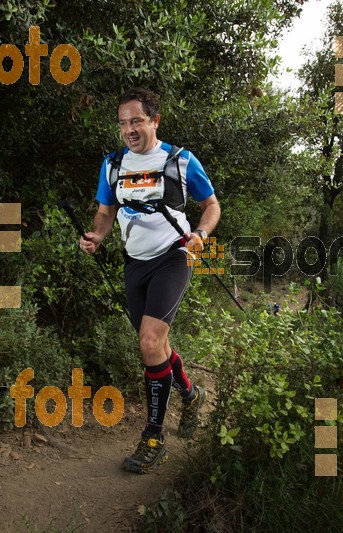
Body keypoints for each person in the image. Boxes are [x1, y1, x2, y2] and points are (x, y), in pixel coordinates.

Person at [79, 87, 221, 474]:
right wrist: (97, 236)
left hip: (174, 258)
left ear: (154, 121)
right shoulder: (112, 164)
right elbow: (105, 212)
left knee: (148, 342)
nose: (129, 129)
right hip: (135, 263)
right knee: (157, 346)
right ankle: (192, 396)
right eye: (123, 122)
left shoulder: (180, 160)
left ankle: (154, 438)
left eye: (137, 120)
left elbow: (211, 206)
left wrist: (201, 235)